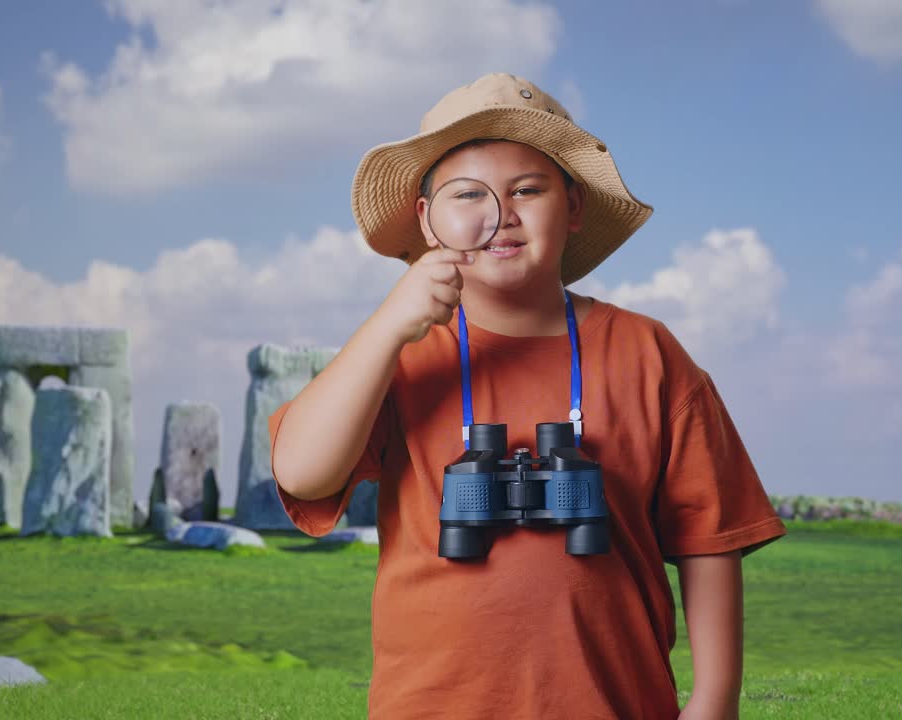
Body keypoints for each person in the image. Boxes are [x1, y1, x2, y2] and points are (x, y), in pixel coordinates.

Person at [269, 73, 787, 720]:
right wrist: (387, 328)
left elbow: (708, 538)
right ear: (428, 222)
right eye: (469, 195)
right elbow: (301, 473)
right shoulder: (397, 356)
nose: (502, 214)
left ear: (572, 210)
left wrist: (713, 700)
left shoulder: (648, 353)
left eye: (528, 190)